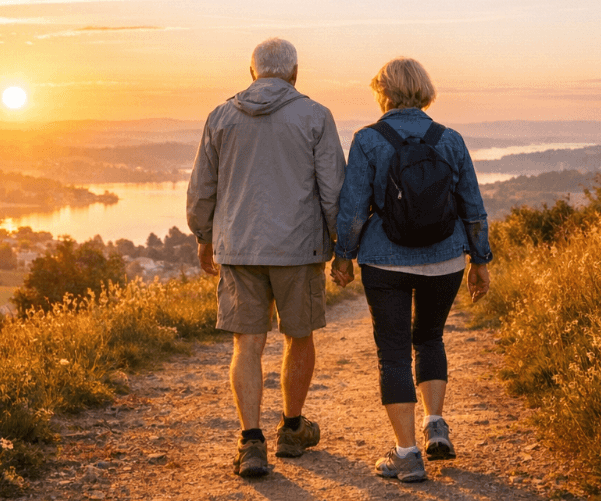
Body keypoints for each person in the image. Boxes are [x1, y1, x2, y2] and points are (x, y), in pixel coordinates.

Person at [187, 37, 346, 478]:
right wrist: (343, 247)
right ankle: (292, 429)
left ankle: (251, 442)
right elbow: (333, 189)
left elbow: (203, 188)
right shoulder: (315, 116)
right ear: (295, 73)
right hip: (299, 249)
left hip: (238, 248)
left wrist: (204, 236)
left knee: (247, 343)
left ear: (251, 71)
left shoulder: (220, 117)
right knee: (299, 336)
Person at [330, 57, 492, 483]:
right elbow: (472, 206)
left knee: (394, 352)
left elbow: (352, 208)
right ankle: (435, 423)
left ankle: (406, 454)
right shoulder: (449, 139)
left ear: (382, 91)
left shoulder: (368, 140)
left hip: (385, 260)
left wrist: (343, 256)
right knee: (431, 336)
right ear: (424, 88)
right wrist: (480, 260)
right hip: (445, 259)